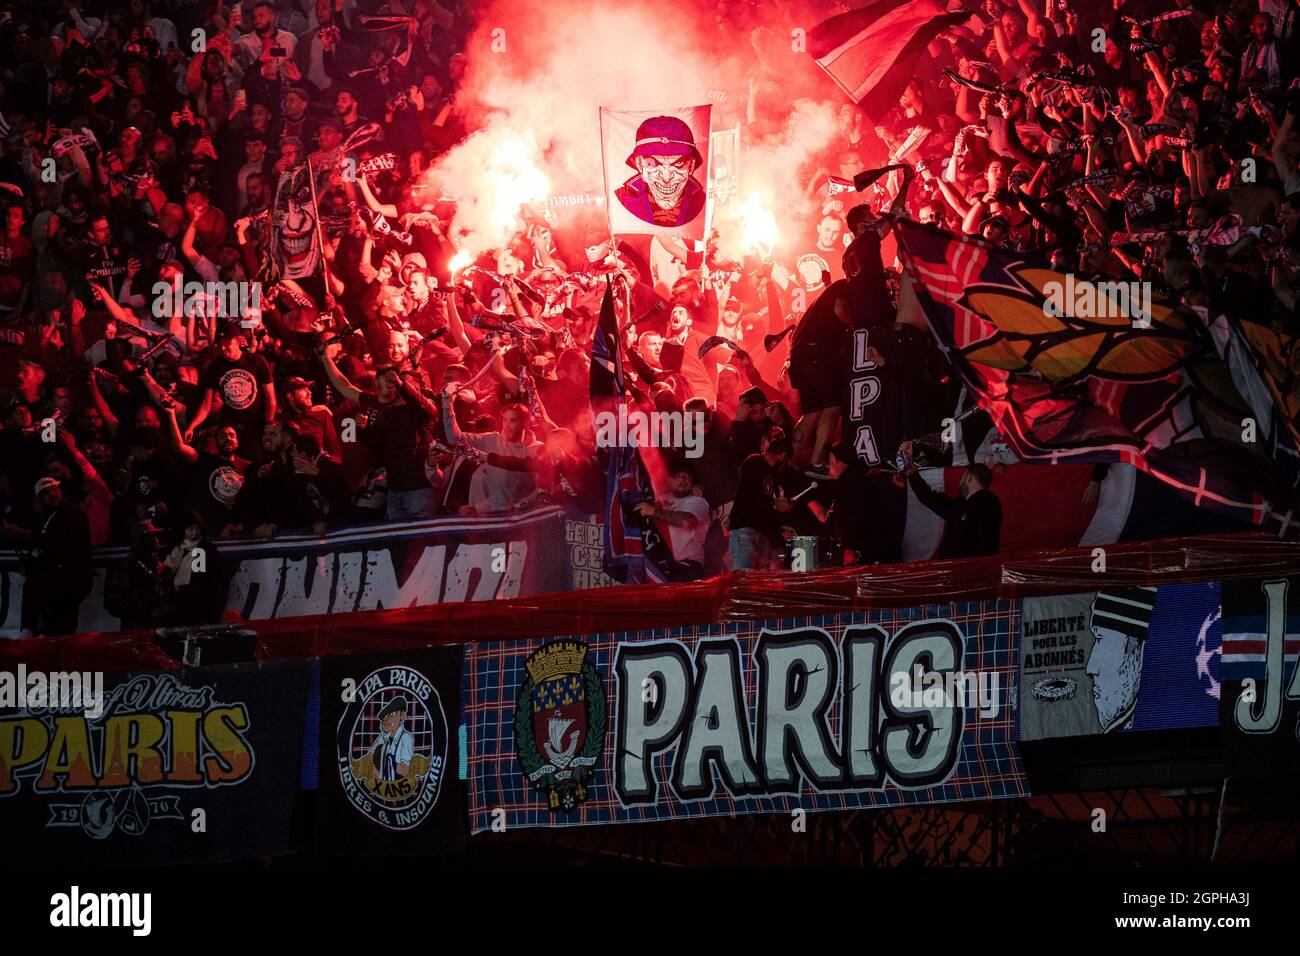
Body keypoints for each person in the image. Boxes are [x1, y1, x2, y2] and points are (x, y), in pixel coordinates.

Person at [7, 477, 93, 635]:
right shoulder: (51, 517)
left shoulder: (73, 513)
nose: (53, 495)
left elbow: (61, 543)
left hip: (69, 580)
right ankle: (30, 632)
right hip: (58, 581)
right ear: (39, 500)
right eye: (46, 493)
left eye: (55, 489)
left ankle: (30, 632)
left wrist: (25, 534)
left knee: (61, 629)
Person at [905, 460, 1003, 558]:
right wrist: (913, 475)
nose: (959, 483)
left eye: (963, 477)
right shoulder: (958, 505)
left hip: (977, 568)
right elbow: (930, 498)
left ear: (969, 477)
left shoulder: (988, 501)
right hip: (954, 569)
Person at [727, 433, 794, 570]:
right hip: (744, 529)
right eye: (786, 460)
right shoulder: (755, 462)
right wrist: (774, 502)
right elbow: (747, 494)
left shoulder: (768, 473)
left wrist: (779, 528)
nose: (785, 465)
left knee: (755, 582)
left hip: (759, 533)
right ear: (782, 455)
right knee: (742, 576)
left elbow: (763, 507)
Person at [633, 465, 710, 581]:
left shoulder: (697, 501)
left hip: (688, 564)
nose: (683, 480)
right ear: (669, 480)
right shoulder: (659, 500)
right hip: (660, 564)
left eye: (687, 477)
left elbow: (686, 521)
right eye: (678, 476)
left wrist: (654, 511)